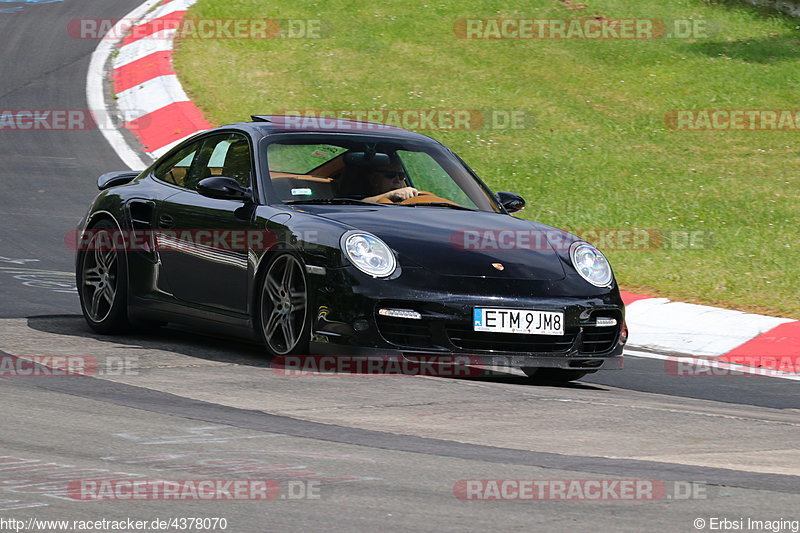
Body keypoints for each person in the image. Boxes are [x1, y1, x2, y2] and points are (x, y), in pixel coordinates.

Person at [337, 155, 419, 203]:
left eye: (401, 176)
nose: (397, 180)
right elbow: (359, 205)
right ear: (374, 179)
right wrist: (392, 195)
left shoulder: (408, 198)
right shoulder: (353, 200)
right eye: (390, 175)